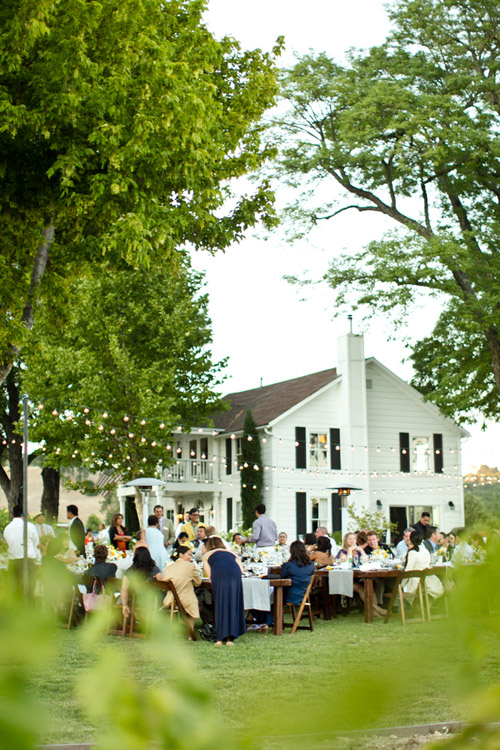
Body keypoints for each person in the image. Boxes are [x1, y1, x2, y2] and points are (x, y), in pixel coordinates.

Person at [203, 536, 245, 646]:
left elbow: (209, 574)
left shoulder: (207, 555)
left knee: (221, 604)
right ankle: (230, 638)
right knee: (233, 603)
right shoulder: (231, 553)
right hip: (234, 574)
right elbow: (241, 569)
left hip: (219, 575)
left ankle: (220, 638)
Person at [162, 546, 201, 638]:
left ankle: (179, 628)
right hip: (185, 600)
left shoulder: (168, 567)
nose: (190, 557)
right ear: (181, 555)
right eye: (189, 555)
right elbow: (198, 583)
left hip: (170, 600)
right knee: (194, 602)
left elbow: (164, 584)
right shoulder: (190, 566)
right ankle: (191, 635)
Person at [121, 546, 163, 620]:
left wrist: (125, 605)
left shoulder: (130, 571)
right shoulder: (153, 568)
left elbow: (124, 589)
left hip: (135, 600)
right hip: (153, 600)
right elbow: (162, 583)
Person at [3, 504, 39, 590]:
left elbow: (6, 543)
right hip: (27, 561)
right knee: (28, 589)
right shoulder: (30, 526)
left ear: (13, 514)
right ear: (24, 514)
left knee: (15, 590)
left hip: (13, 561)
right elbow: (36, 544)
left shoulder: (7, 528)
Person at [403, 531, 444, 600]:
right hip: (428, 581)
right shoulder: (425, 551)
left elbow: (408, 571)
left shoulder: (413, 552)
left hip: (417, 583)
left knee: (398, 587)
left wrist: (401, 584)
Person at [280, 540, 315, 605]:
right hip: (305, 594)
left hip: (290, 596)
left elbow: (281, 578)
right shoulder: (311, 565)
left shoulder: (288, 565)